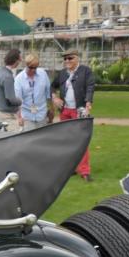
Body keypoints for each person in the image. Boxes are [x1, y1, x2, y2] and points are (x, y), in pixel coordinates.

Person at [52, 50, 96, 181]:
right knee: (67, 140)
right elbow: (52, 86)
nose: (66, 61)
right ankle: (71, 168)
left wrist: (88, 102)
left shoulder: (85, 71)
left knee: (82, 140)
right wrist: (55, 98)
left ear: (77, 58)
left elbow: (90, 87)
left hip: (79, 110)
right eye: (65, 59)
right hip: (65, 110)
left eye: (70, 58)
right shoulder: (62, 73)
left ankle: (84, 171)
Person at [13, 54, 51, 131]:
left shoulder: (43, 74)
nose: (33, 70)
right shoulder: (19, 79)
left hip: (42, 114)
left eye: (35, 67)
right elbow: (17, 100)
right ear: (25, 65)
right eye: (31, 67)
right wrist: (19, 117)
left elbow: (48, 93)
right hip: (27, 117)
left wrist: (51, 109)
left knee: (42, 139)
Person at [0, 48, 22, 131]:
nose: (20, 61)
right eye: (20, 59)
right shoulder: (8, 77)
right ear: (16, 60)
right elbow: (10, 99)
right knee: (15, 139)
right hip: (7, 114)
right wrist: (20, 101)